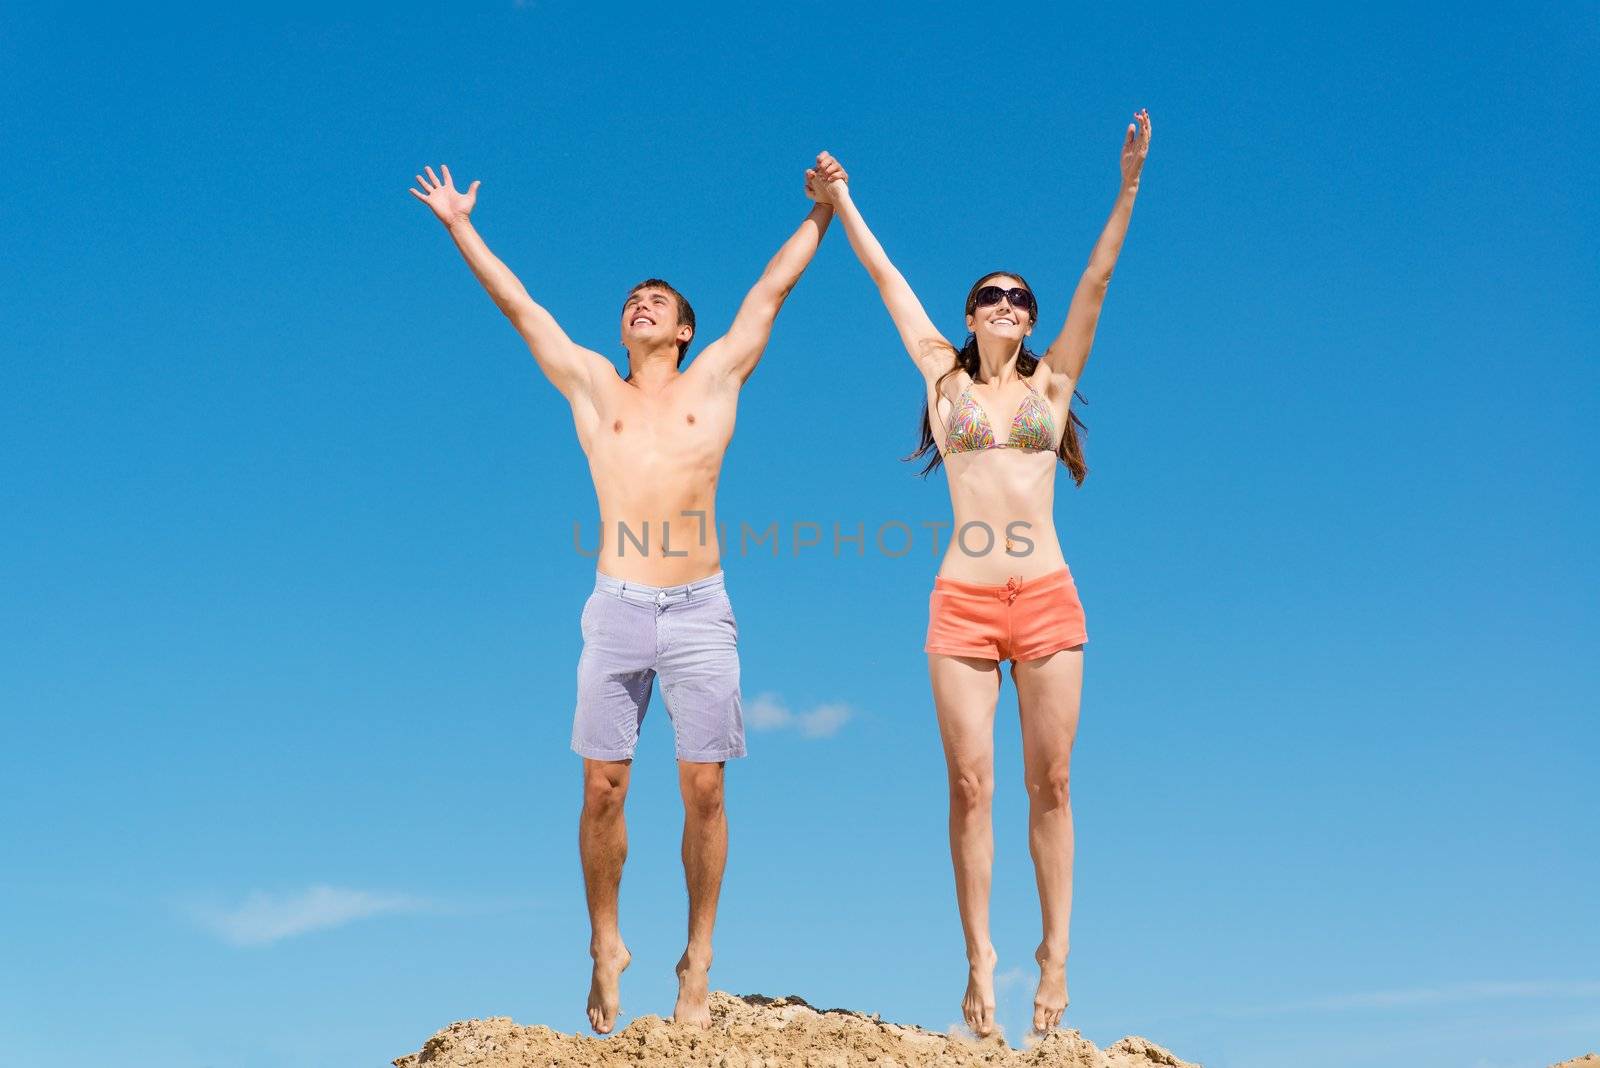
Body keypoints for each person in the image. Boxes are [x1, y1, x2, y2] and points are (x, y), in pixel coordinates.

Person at [409, 155, 845, 1032]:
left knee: (705, 790)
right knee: (603, 787)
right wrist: (461, 226)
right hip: (615, 605)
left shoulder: (714, 381)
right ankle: (606, 945)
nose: (640, 304)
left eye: (659, 301)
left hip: (699, 608)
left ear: (685, 330)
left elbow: (770, 293)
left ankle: (699, 956)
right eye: (630, 300)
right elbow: (520, 306)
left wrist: (823, 213)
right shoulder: (591, 386)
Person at [808, 110, 1151, 1037]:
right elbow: (885, 279)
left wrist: (1124, 188)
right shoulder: (942, 379)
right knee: (969, 786)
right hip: (961, 602)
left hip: (1045, 596)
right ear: (968, 315)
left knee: (1054, 783)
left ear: (1030, 319)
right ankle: (981, 964)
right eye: (989, 295)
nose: (1005, 303)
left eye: (1017, 297)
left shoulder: (1052, 388)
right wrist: (842, 202)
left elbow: (1099, 278)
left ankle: (1055, 959)